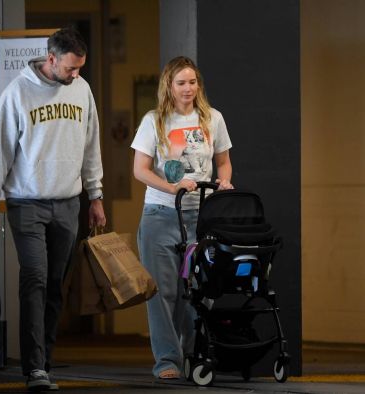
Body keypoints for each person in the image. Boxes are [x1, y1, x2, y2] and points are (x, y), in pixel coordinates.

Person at [0, 26, 106, 391]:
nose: (75, 75)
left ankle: (44, 360)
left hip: (68, 203)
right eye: (70, 68)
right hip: (26, 203)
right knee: (34, 277)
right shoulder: (17, 93)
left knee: (55, 284)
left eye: (80, 68)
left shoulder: (81, 90)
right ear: (51, 59)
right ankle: (35, 367)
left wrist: (95, 196)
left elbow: (91, 144)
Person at [131, 56, 233, 379]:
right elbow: (140, 170)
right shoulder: (154, 121)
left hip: (200, 216)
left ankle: (192, 354)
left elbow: (224, 161)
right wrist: (172, 186)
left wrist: (225, 180)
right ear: (169, 87)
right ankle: (167, 361)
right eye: (181, 83)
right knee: (163, 293)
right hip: (161, 214)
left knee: (196, 292)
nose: (188, 89)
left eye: (192, 82)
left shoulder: (212, 118)